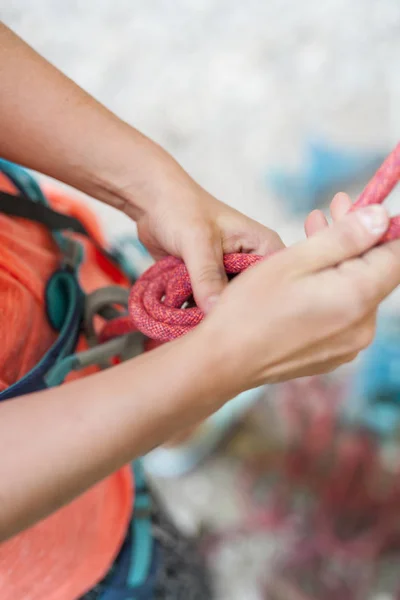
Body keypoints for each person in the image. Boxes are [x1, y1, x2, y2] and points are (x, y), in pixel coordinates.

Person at [0, 21, 399, 600]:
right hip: (63, 555)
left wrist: (149, 185)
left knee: (144, 345)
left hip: (46, 267)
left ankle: (175, 422)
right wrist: (221, 362)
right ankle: (176, 417)